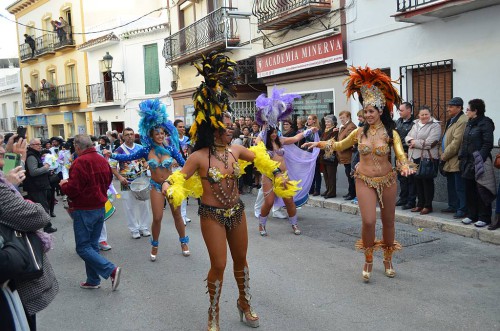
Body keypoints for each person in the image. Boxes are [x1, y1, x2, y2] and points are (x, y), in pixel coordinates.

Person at [163, 52, 299, 331]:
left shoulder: (237, 149)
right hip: (211, 215)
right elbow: (176, 179)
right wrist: (168, 188)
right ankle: (213, 314)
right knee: (219, 264)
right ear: (213, 128)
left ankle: (244, 303)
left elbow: (263, 160)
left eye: (231, 126)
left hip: (236, 213)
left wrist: (277, 174)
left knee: (241, 261)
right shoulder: (198, 156)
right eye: (227, 127)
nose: (231, 129)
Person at [303, 66, 415, 282]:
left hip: (388, 180)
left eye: (371, 111)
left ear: (380, 111)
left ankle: (388, 259)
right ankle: (369, 258)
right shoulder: (357, 132)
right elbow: (338, 144)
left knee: (389, 221)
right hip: (364, 180)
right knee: (369, 221)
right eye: (365, 111)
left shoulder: (391, 133)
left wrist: (405, 165)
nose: (368, 115)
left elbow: (400, 154)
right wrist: (317, 142)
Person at [107, 100, 190, 260]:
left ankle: (183, 242)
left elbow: (184, 165)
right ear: (151, 135)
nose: (160, 136)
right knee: (157, 217)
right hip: (155, 186)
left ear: (166, 134)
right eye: (157, 133)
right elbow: (128, 156)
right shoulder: (146, 150)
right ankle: (155, 244)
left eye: (162, 133)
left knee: (177, 215)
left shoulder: (171, 148)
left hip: (172, 186)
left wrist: (174, 179)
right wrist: (112, 155)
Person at [0, 138, 59, 331]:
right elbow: (37, 216)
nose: (2, 150)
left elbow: (11, 180)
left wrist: (16, 159)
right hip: (11, 280)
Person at [60, 134, 122, 291]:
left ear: (77, 147)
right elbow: (108, 181)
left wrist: (63, 185)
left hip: (84, 209)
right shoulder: (102, 159)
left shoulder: (79, 162)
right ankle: (93, 279)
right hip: (99, 207)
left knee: (82, 247)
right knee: (92, 245)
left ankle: (110, 269)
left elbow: (73, 189)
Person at [255, 87, 319, 236]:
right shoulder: (262, 142)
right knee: (269, 202)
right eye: (270, 133)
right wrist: (263, 131)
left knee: (289, 202)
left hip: (284, 175)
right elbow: (256, 144)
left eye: (274, 133)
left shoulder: (281, 141)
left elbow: (296, 138)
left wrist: (310, 131)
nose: (273, 135)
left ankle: (294, 224)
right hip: (270, 177)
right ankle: (261, 225)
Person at [459, 99, 496, 228]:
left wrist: (479, 159)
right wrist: (462, 157)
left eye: (468, 109)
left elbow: (487, 144)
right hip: (468, 161)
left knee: (482, 189)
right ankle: (472, 215)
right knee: (470, 189)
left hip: (481, 161)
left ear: (475, 111)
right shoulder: (469, 123)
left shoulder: (485, 123)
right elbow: (465, 141)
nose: (466, 111)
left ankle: (484, 217)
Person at [110, 127, 152, 239]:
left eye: (131, 134)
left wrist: (146, 164)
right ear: (123, 137)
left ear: (134, 135)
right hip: (126, 182)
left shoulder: (140, 148)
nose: (129, 136)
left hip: (141, 181)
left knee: (144, 205)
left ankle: (144, 227)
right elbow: (112, 166)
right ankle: (134, 229)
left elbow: (146, 161)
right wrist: (119, 177)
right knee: (129, 206)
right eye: (127, 134)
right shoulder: (118, 150)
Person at [405, 106, 441, 215]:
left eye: (426, 114)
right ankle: (419, 204)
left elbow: (431, 143)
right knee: (417, 181)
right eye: (422, 114)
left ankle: (428, 205)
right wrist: (411, 140)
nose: (424, 116)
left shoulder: (435, 126)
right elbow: (407, 137)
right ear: (418, 115)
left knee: (427, 181)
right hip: (413, 157)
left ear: (430, 115)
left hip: (427, 158)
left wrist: (414, 143)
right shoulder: (415, 124)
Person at [440, 97, 468, 218]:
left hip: (455, 158)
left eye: (451, 106)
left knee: (459, 186)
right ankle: (453, 205)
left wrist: (444, 156)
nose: (448, 109)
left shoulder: (462, 120)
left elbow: (456, 143)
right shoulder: (452, 120)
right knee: (451, 184)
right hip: (448, 159)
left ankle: (462, 208)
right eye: (448, 106)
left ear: (459, 107)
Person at [24, 138, 57, 233]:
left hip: (40, 185)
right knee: (42, 206)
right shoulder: (31, 156)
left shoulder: (35, 154)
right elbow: (33, 172)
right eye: (36, 144)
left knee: (43, 205)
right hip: (36, 186)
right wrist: (46, 167)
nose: (39, 146)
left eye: (40, 144)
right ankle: (46, 226)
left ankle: (45, 226)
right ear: (31, 145)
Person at [395, 102, 416, 210]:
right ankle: (403, 198)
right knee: (401, 178)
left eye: (402, 110)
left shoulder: (414, 123)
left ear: (409, 110)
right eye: (399, 110)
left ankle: (411, 201)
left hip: (408, 153)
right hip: (399, 154)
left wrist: (407, 152)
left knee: (410, 178)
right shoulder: (398, 121)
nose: (399, 112)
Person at [173, 119, 192, 224]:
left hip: (185, 166)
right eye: (180, 127)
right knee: (178, 192)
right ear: (175, 128)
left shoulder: (187, 139)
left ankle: (184, 215)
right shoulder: (171, 139)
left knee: (184, 191)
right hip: (175, 169)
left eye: (183, 127)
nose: (182, 129)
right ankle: (179, 216)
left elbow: (189, 152)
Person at [320, 115, 338, 199]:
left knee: (331, 175)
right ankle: (328, 190)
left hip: (330, 156)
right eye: (326, 122)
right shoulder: (325, 130)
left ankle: (332, 192)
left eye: (328, 122)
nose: (326, 123)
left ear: (333, 123)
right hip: (323, 155)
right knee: (326, 175)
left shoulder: (335, 130)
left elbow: (329, 141)